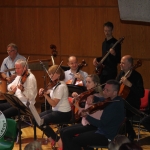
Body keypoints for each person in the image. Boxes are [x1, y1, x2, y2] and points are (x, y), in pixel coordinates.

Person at [60, 80, 125, 150]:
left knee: (76, 140)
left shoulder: (114, 106)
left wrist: (87, 116)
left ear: (115, 92)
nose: (104, 92)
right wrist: (94, 98)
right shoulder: (113, 99)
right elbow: (102, 99)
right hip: (103, 131)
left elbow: (100, 124)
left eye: (107, 90)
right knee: (79, 137)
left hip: (106, 136)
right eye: (104, 89)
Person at [58, 74, 103, 149]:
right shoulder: (90, 94)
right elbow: (85, 111)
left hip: (92, 125)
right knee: (62, 131)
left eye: (89, 82)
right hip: (85, 122)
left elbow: (90, 114)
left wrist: (78, 106)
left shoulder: (96, 97)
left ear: (95, 84)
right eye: (86, 82)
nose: (87, 84)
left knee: (66, 133)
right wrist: (77, 102)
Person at [38, 65, 72, 146]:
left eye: (52, 74)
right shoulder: (57, 84)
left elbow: (53, 103)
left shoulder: (61, 86)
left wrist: (45, 95)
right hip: (57, 111)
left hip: (64, 113)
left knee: (40, 121)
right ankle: (52, 138)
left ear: (59, 74)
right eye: (49, 74)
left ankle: (57, 139)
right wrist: (43, 91)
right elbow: (50, 91)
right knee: (36, 118)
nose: (50, 76)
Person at [116, 55, 144, 142]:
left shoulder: (137, 76)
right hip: (121, 103)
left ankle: (130, 133)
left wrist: (130, 84)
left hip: (133, 104)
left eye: (123, 63)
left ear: (130, 65)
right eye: (121, 63)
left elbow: (141, 93)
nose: (120, 64)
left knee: (120, 112)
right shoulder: (121, 74)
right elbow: (115, 86)